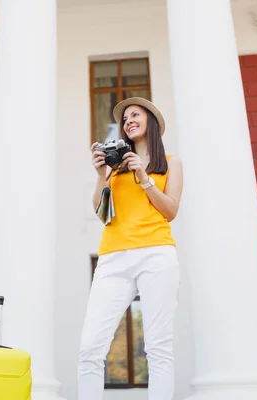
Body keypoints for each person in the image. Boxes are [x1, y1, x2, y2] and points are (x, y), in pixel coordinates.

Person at [78, 97, 183, 400]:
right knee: (90, 347)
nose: (128, 121)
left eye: (134, 115)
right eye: (124, 119)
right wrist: (101, 176)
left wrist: (144, 178)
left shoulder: (170, 162)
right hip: (113, 256)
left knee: (158, 346)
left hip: (156, 254)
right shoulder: (115, 167)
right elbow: (101, 212)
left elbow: (171, 210)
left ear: (150, 120)